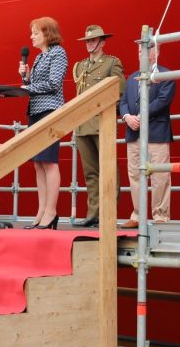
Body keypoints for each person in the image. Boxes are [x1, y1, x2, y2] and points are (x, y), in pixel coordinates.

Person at [70, 25, 124, 228]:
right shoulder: (80, 66)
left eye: (93, 40)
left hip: (102, 123)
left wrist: (108, 115)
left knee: (108, 169)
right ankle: (93, 214)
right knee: (90, 173)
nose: (90, 44)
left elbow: (119, 90)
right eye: (87, 41)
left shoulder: (111, 63)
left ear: (103, 42)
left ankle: (108, 213)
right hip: (83, 125)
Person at [117, 43, 176, 227]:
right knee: (134, 174)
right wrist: (127, 117)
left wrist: (140, 116)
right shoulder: (133, 77)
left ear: (156, 52)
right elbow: (124, 101)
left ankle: (160, 215)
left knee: (160, 175)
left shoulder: (165, 75)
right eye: (139, 51)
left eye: (145, 50)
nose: (140, 54)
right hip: (134, 133)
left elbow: (163, 101)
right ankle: (138, 215)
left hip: (156, 133)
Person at [18, 17, 69, 230]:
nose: (32, 36)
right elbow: (36, 84)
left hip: (50, 111)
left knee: (49, 161)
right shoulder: (40, 57)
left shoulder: (58, 53)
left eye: (35, 33)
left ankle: (51, 211)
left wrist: (28, 88)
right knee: (38, 163)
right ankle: (41, 210)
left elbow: (54, 84)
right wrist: (26, 78)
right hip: (36, 111)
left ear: (47, 34)